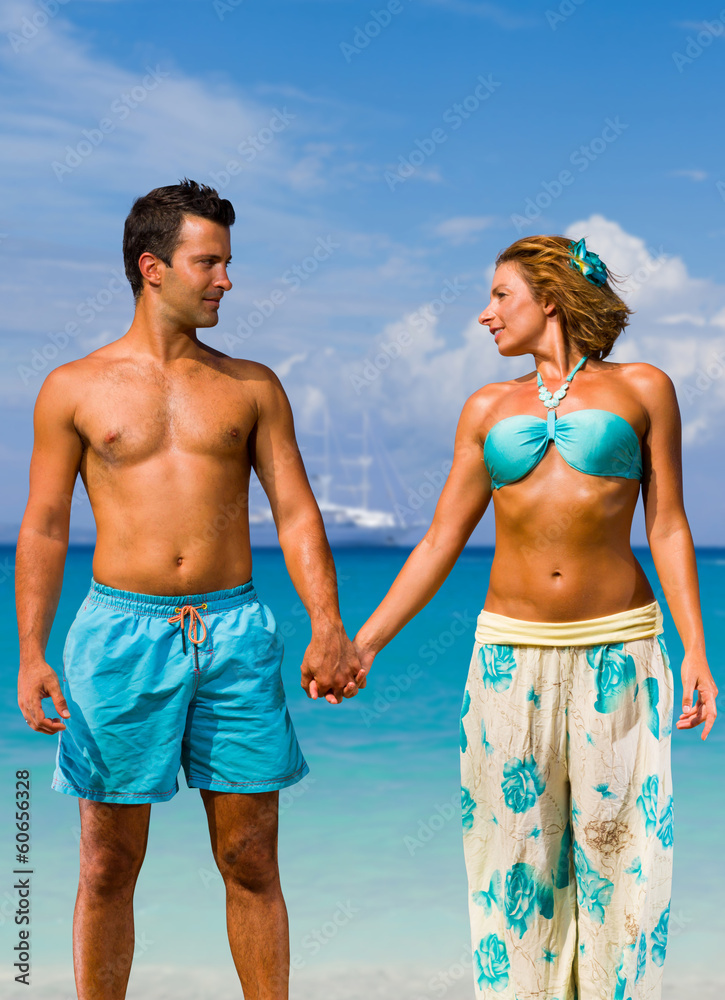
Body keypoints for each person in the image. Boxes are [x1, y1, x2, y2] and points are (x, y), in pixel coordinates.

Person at [15, 178, 361, 1000]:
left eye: (227, 263)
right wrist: (29, 650)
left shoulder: (251, 386)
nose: (226, 281)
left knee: (249, 859)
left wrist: (328, 624)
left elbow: (298, 514)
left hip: (234, 634)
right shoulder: (74, 387)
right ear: (152, 267)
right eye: (209, 262)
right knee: (106, 865)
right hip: (118, 635)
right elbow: (46, 528)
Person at [352, 235, 718, 999]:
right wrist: (366, 643)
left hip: (618, 648)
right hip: (507, 656)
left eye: (499, 297)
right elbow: (439, 542)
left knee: (620, 852)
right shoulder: (486, 407)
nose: (484, 315)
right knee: (512, 859)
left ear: (548, 299)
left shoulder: (643, 388)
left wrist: (695, 651)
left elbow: (670, 525)